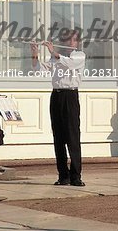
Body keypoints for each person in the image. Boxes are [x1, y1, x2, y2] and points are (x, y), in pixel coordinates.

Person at [30, 30, 86, 186]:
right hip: (56, 96)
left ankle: (76, 176)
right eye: (67, 40)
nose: (70, 43)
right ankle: (63, 176)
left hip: (70, 97)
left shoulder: (79, 55)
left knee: (72, 137)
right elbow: (38, 70)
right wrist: (35, 54)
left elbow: (68, 63)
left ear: (77, 43)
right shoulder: (55, 58)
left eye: (73, 40)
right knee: (58, 137)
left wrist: (53, 51)